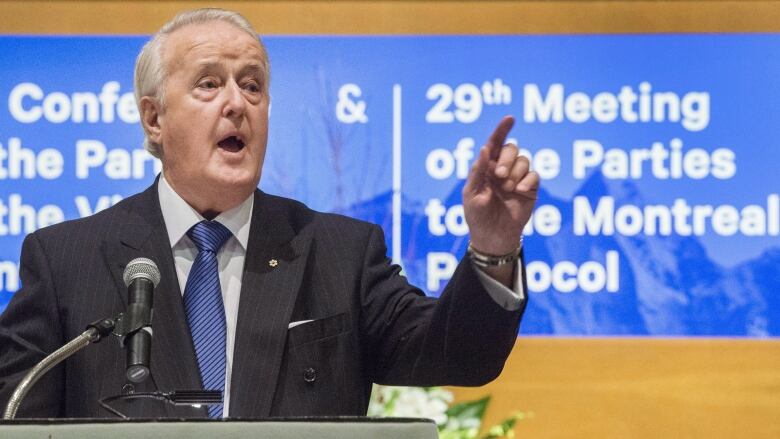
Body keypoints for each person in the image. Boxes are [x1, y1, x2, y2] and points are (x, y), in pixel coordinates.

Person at [0, 8, 539, 419]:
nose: (237, 102)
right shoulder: (64, 260)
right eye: (209, 83)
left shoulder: (340, 252)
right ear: (154, 118)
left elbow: (456, 356)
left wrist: (493, 249)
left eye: (252, 84)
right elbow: (16, 413)